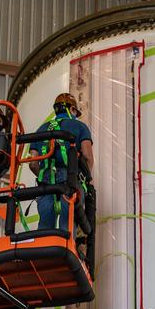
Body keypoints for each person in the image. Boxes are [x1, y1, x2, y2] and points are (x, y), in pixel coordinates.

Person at [30, 93, 94, 232]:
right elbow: (88, 156)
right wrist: (84, 180)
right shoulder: (80, 127)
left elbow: (33, 163)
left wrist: (43, 176)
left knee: (45, 231)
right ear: (71, 110)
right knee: (67, 228)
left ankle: (46, 252)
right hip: (70, 181)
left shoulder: (41, 129)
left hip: (46, 183)